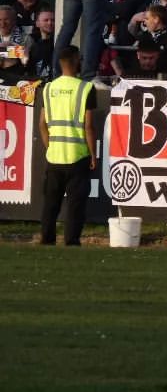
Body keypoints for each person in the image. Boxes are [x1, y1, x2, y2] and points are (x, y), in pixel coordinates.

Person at [38, 45, 97, 246]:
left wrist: (50, 147)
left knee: (50, 202)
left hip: (54, 156)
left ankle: (47, 239)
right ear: (76, 61)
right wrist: (93, 154)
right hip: (77, 156)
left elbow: (42, 124)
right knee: (75, 204)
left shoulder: (49, 88)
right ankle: (71, 241)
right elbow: (88, 126)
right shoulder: (86, 88)